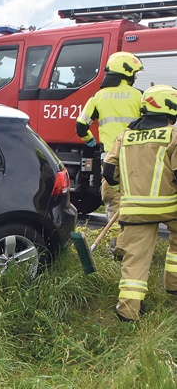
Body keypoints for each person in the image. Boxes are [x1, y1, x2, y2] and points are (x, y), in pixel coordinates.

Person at [103, 85, 177, 322]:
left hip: (134, 209)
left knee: (134, 260)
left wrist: (127, 190)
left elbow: (109, 171)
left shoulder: (124, 136)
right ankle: (174, 288)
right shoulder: (173, 135)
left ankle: (128, 312)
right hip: (171, 206)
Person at [76, 51, 144, 248]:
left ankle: (116, 248)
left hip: (111, 160)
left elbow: (81, 126)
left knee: (114, 202)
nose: (135, 77)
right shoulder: (139, 96)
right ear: (127, 73)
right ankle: (135, 244)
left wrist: (90, 142)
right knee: (135, 202)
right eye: (134, 73)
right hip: (136, 158)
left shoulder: (98, 97)